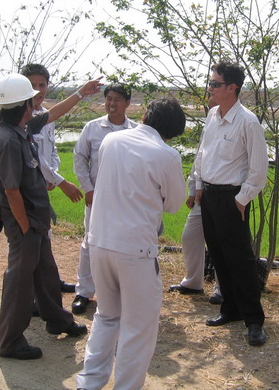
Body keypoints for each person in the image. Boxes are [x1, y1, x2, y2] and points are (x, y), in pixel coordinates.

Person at [75, 96, 187, 390]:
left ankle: (89, 383)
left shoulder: (111, 141)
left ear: (146, 116)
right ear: (172, 131)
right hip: (136, 250)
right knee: (137, 328)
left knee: (106, 316)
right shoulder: (167, 155)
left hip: (100, 242)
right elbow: (174, 204)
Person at [0, 73, 102, 360]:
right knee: (19, 282)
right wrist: (25, 227)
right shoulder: (8, 140)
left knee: (46, 274)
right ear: (24, 105)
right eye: (32, 99)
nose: (37, 103)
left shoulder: (21, 128)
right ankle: (10, 342)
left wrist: (81, 93)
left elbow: (53, 114)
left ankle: (58, 321)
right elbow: (11, 191)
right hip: (25, 224)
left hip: (35, 222)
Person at [194, 61, 268, 347]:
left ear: (232, 88)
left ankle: (254, 321)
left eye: (215, 84)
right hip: (209, 196)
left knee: (240, 260)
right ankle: (231, 309)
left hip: (232, 198)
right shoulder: (212, 115)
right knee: (219, 256)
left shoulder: (248, 122)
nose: (210, 88)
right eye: (210, 82)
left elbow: (259, 168)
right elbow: (202, 154)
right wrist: (198, 186)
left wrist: (242, 199)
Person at [72, 83, 137, 315]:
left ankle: (118, 293)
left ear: (127, 103)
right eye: (109, 98)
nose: (112, 103)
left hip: (125, 200)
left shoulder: (136, 131)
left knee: (122, 244)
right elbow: (79, 158)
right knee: (90, 243)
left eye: (117, 99)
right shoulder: (92, 128)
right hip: (97, 197)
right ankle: (84, 292)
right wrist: (87, 189)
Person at [21, 63, 82, 296]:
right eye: (32, 85)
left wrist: (52, 175)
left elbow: (51, 151)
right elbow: (34, 157)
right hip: (27, 189)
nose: (38, 90)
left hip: (43, 186)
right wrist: (60, 181)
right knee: (29, 243)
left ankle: (50, 282)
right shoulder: (23, 119)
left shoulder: (47, 115)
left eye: (42, 84)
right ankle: (31, 294)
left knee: (44, 236)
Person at [169, 99, 222, 304]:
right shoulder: (211, 121)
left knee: (221, 242)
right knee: (190, 236)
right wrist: (193, 188)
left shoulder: (242, 122)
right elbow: (200, 158)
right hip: (203, 191)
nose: (210, 102)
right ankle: (193, 283)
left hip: (225, 193)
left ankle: (222, 288)